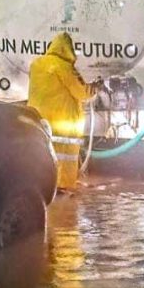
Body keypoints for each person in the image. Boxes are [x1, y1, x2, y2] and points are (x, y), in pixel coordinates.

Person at [27, 33, 95, 192]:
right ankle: (62, 186)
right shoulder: (63, 67)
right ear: (68, 49)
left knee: (42, 153)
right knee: (64, 156)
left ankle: (42, 184)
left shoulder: (36, 64)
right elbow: (81, 93)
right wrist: (94, 89)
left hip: (40, 119)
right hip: (62, 121)